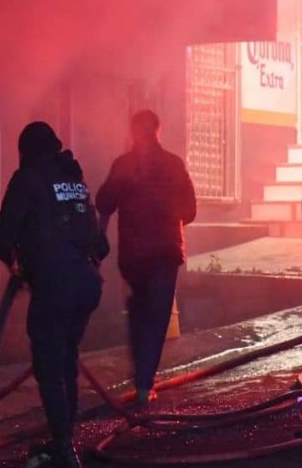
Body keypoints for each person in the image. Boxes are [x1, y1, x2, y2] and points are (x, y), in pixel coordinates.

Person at [0, 122, 108, 468]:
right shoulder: (74, 179)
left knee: (49, 365)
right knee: (66, 358)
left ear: (26, 151)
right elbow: (100, 244)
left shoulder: (26, 179)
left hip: (55, 284)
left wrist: (17, 267)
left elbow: (2, 238)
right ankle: (65, 439)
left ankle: (63, 447)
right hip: (86, 285)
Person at [95, 109, 196, 404]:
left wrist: (100, 237)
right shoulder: (174, 165)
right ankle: (143, 383)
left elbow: (104, 202)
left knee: (139, 312)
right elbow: (190, 211)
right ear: (158, 131)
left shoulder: (123, 164)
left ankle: (141, 376)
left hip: (134, 255)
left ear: (132, 133)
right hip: (166, 251)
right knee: (157, 316)